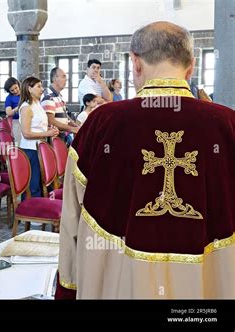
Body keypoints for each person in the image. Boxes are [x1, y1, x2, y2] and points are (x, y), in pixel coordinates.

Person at [56, 21, 235, 299]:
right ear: (191, 66)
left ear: (135, 63)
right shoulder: (228, 126)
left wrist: (67, 288)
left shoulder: (101, 124)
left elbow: (71, 219)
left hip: (120, 287)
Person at [18, 76, 59, 198]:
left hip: (39, 148)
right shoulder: (26, 107)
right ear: (29, 89)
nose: (42, 89)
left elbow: (38, 127)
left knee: (42, 184)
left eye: (41, 86)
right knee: (33, 186)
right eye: (38, 86)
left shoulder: (37, 104)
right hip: (30, 150)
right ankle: (30, 214)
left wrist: (49, 130)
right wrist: (47, 133)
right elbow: (26, 133)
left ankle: (40, 212)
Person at [41, 67, 80, 145]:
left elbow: (65, 117)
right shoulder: (49, 96)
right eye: (63, 76)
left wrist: (75, 125)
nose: (66, 79)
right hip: (54, 137)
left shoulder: (58, 96)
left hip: (61, 135)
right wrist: (72, 129)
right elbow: (51, 121)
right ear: (55, 79)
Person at [3, 77, 21, 144]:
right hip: (17, 123)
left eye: (16, 88)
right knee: (18, 143)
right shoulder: (9, 98)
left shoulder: (25, 93)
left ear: (18, 85)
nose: (15, 91)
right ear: (9, 91)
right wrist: (19, 107)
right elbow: (9, 112)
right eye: (12, 90)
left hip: (29, 120)